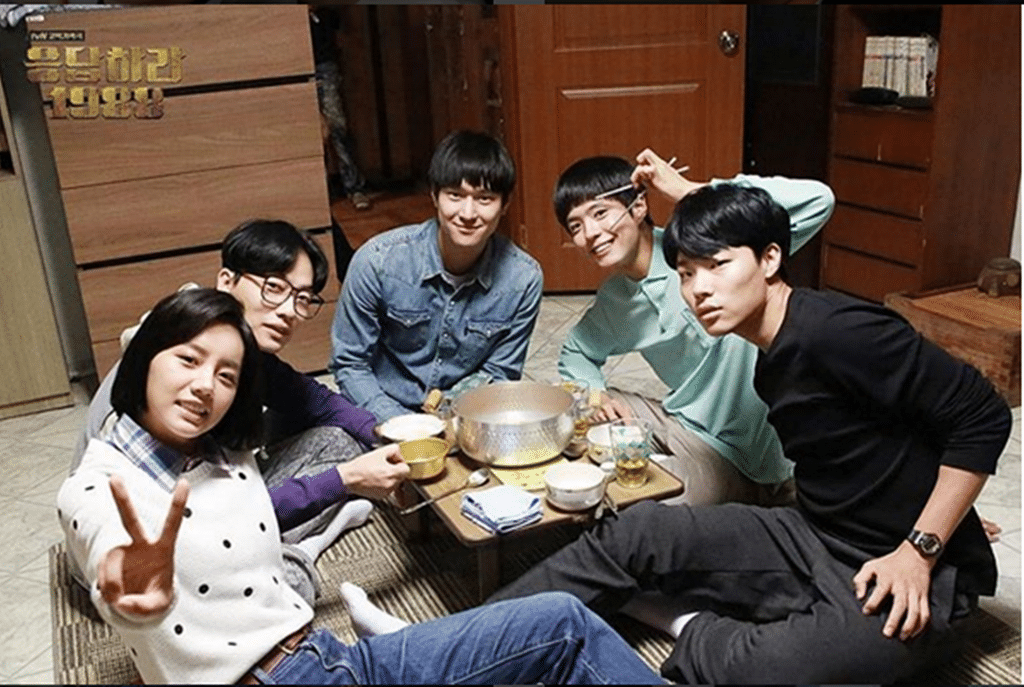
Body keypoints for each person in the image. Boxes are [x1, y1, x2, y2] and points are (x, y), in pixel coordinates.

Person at [487, 183, 1012, 684]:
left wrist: (922, 545)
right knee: (638, 532)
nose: (699, 289)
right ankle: (466, 643)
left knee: (769, 668)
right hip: (816, 535)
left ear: (769, 259)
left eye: (718, 265)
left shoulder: (840, 331)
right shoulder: (768, 362)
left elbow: (983, 416)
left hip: (921, 569)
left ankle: (688, 625)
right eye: (686, 273)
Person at [57, 289, 663, 685]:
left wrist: (372, 449)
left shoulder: (224, 450)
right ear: (145, 359)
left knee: (562, 621)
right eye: (187, 360)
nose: (204, 386)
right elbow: (109, 554)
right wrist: (129, 590)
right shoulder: (96, 489)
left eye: (226, 375)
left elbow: (319, 409)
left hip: (330, 657)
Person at [72, 220, 406, 597]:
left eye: (302, 299)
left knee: (334, 437)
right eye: (274, 288)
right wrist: (343, 480)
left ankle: (294, 542)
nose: (289, 311)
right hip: (141, 557)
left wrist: (390, 437)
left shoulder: (234, 344)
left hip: (202, 508)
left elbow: (317, 402)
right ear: (227, 281)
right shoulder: (170, 372)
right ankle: (305, 548)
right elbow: (208, 529)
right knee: (281, 590)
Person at [555, 150, 833, 506]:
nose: (591, 233)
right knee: (569, 416)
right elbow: (577, 352)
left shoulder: (710, 251)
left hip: (745, 457)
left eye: (599, 213)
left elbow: (818, 201)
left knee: (641, 508)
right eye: (576, 226)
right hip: (680, 421)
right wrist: (598, 397)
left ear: (638, 207)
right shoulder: (617, 298)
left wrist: (689, 191)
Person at [330, 130, 543, 421]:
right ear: (434, 196)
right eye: (455, 195)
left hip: (465, 415)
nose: (468, 213)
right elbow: (350, 363)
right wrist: (402, 424)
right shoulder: (377, 261)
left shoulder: (523, 279)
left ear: (505, 205)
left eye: (485, 198)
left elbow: (499, 371)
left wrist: (445, 418)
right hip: (382, 413)